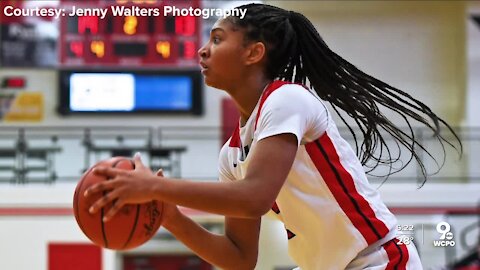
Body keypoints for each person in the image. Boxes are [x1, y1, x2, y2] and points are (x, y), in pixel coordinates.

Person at [84, 3, 461, 269]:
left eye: (217, 39)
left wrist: (157, 188)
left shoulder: (288, 99)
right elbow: (238, 257)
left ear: (254, 53)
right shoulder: (233, 154)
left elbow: (254, 199)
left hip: (376, 260)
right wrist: (171, 216)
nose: (202, 50)